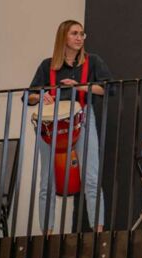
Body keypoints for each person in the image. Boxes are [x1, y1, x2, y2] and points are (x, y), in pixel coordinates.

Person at [27, 20, 110, 233]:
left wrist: (81, 86)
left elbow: (108, 88)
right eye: (74, 33)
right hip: (50, 124)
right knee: (47, 180)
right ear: (63, 37)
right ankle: (47, 234)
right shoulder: (47, 66)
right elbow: (28, 96)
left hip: (82, 118)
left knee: (91, 177)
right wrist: (41, 96)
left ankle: (98, 232)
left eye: (82, 34)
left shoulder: (93, 62)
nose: (79, 37)